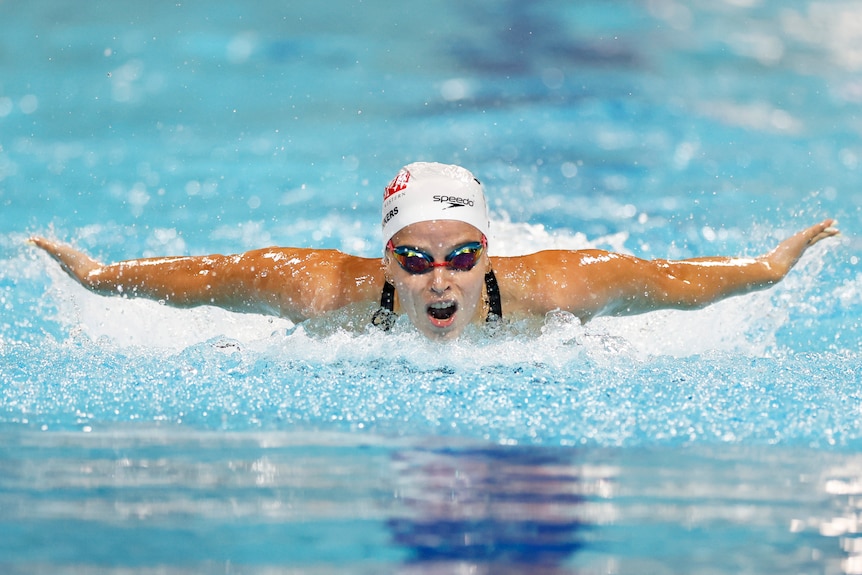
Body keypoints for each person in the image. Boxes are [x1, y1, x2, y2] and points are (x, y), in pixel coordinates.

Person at [30, 162, 839, 341]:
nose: (441, 277)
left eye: (462, 255)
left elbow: (671, 284)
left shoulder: (553, 284)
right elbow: (207, 277)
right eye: (415, 259)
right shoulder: (320, 288)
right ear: (386, 262)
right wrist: (101, 278)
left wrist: (767, 268)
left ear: (489, 253)